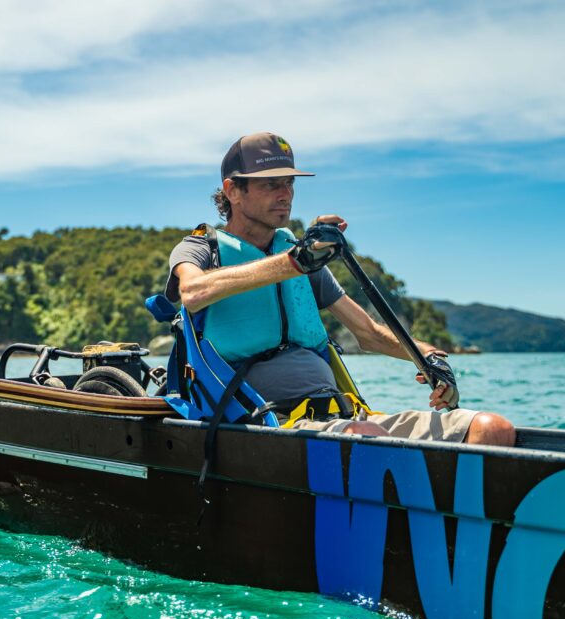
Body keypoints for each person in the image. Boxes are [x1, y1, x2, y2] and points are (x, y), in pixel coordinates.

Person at [165, 132, 515, 445]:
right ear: (232, 191)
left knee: (491, 429)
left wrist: (429, 358)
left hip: (341, 418)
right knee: (367, 440)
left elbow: (370, 334)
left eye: (289, 183)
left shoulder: (300, 257)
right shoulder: (202, 248)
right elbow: (193, 292)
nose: (286, 194)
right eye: (271, 184)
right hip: (267, 425)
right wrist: (292, 263)